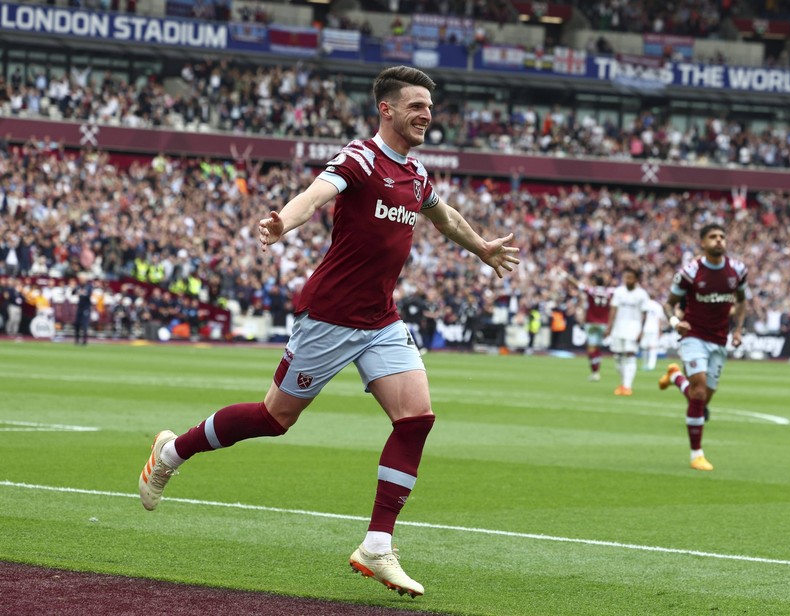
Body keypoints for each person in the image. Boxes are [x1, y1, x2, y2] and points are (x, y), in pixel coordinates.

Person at [138, 66, 520, 598]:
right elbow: (316, 195)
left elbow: (442, 214)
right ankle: (173, 452)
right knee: (274, 419)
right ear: (386, 109)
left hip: (381, 319)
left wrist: (481, 247)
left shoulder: (416, 173)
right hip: (330, 317)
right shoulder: (360, 158)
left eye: (430, 107)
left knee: (416, 420)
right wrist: (283, 223)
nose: (426, 114)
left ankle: (377, 547)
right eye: (415, 105)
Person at [658, 224, 748, 471]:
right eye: (713, 237)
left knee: (702, 397)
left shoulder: (737, 270)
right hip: (693, 335)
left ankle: (675, 376)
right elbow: (668, 304)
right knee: (698, 392)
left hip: (719, 339)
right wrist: (676, 322)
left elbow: (742, 301)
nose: (719, 240)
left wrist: (738, 329)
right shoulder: (690, 272)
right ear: (702, 243)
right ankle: (696, 454)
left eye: (722, 236)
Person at [605, 267, 650, 396]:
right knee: (618, 357)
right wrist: (609, 327)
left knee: (630, 355)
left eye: (630, 277)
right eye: (626, 277)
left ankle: (627, 386)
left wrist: (642, 331)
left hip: (633, 329)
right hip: (618, 328)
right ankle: (623, 383)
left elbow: (645, 314)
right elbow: (613, 310)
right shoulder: (619, 292)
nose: (627, 280)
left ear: (636, 279)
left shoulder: (642, 294)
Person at [569, 273, 613, 381]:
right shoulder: (609, 292)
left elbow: (576, 283)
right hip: (604, 323)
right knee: (597, 348)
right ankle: (596, 370)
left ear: (594, 282)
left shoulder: (591, 290)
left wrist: (565, 276)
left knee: (591, 349)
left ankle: (595, 372)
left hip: (592, 322)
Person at [640, 296, 667, 371]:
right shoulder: (658, 306)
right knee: (653, 347)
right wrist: (660, 330)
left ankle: (645, 363)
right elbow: (659, 319)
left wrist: (640, 329)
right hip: (654, 329)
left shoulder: (645, 304)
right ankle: (651, 365)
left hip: (646, 328)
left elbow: (643, 317)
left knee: (644, 347)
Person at [74, 274, 93, 345]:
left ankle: (84, 340)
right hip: (80, 307)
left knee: (85, 324)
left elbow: (88, 294)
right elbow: (73, 292)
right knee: (77, 323)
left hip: (86, 307)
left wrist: (81, 293)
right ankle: (77, 340)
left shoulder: (89, 286)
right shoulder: (78, 286)